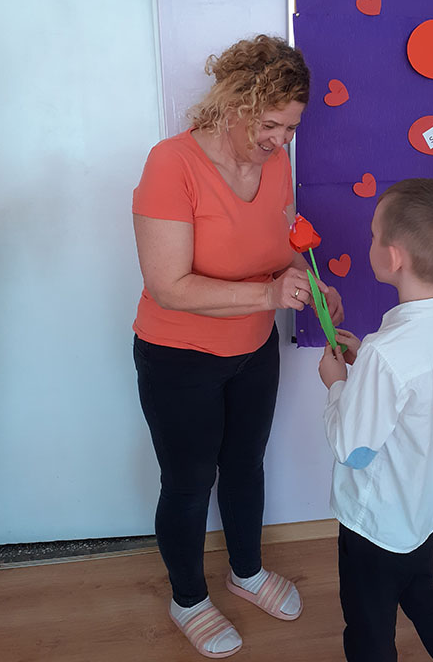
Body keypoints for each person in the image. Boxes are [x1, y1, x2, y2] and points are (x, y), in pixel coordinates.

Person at [132, 34, 343, 659]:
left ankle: (245, 572)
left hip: (253, 349)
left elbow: (279, 251)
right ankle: (188, 598)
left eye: (291, 127)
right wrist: (269, 296)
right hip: (179, 356)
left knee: (247, 463)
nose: (281, 141)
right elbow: (168, 286)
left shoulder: (275, 165)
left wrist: (313, 285)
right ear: (233, 105)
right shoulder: (171, 164)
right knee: (190, 480)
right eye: (270, 125)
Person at [318, 178, 433, 662]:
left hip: (375, 527)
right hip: (422, 513)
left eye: (373, 235)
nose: (369, 241)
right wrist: (366, 363)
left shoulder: (386, 356)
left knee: (368, 631)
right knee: (422, 592)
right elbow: (419, 403)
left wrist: (336, 383)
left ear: (393, 258)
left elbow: (352, 449)